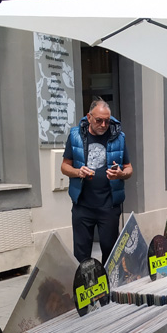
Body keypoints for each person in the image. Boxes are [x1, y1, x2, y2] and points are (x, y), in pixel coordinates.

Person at [61, 97, 133, 264]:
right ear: (89, 117)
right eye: (99, 120)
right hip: (82, 206)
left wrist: (121, 174)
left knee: (110, 252)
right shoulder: (75, 136)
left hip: (109, 205)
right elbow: (64, 167)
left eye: (107, 121)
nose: (103, 125)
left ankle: (109, 287)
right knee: (81, 253)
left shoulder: (118, 138)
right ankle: (85, 287)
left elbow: (129, 169)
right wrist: (78, 172)